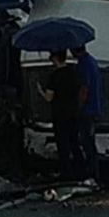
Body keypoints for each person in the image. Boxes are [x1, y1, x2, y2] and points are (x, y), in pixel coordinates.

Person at [36, 49, 84, 181]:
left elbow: (49, 97)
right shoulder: (73, 72)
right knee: (74, 142)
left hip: (60, 114)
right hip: (73, 112)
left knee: (63, 144)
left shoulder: (54, 76)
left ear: (55, 58)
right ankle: (80, 170)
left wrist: (40, 91)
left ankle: (66, 172)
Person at [73, 45, 102, 188]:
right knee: (89, 142)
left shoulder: (83, 65)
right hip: (94, 107)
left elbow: (84, 88)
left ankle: (92, 175)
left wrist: (78, 106)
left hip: (87, 110)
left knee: (87, 143)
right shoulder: (92, 61)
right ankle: (93, 174)